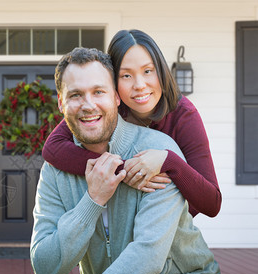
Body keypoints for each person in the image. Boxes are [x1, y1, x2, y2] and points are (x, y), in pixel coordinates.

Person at [30, 47, 221, 274]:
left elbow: (148, 256)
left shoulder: (157, 152)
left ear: (116, 98)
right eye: (75, 95)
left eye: (99, 91)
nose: (88, 105)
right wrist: (93, 200)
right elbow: (45, 271)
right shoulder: (55, 170)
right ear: (61, 103)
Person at [42, 29, 221, 218]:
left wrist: (168, 161)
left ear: (160, 70)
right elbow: (52, 148)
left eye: (148, 71)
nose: (140, 85)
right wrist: (127, 171)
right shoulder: (106, 108)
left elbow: (212, 203)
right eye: (126, 75)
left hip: (169, 225)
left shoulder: (183, 114)